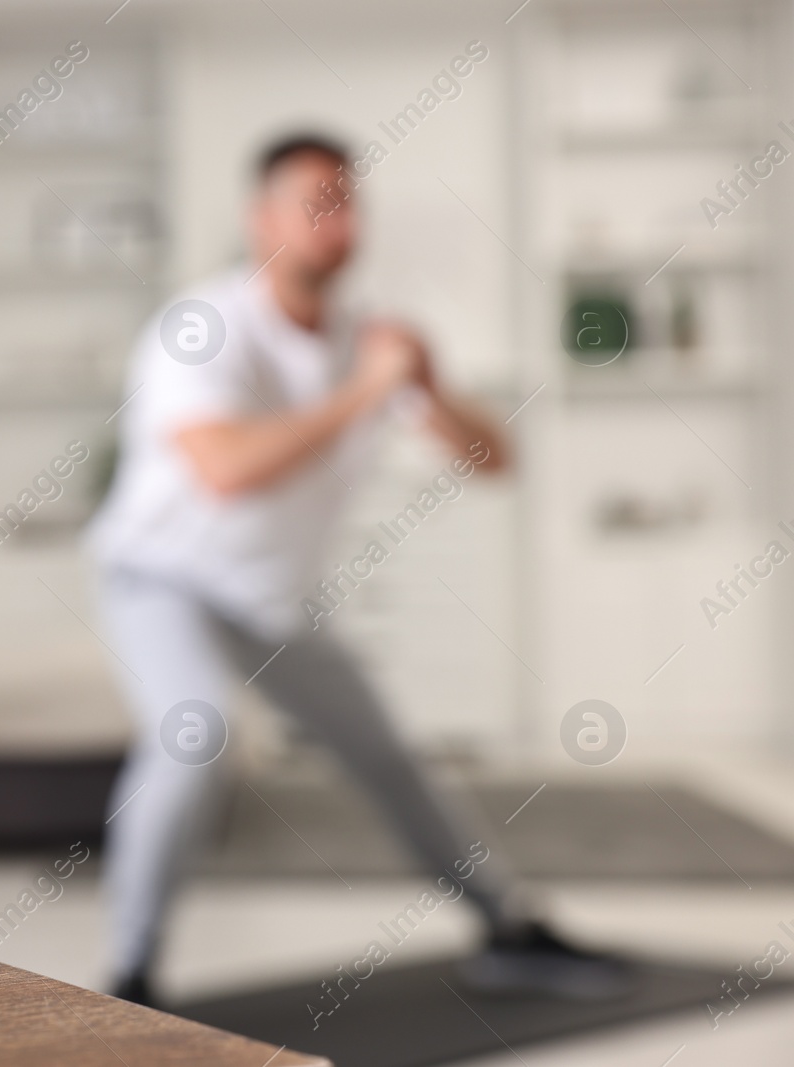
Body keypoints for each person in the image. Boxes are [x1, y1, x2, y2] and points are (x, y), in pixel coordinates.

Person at [87, 134, 625, 1006]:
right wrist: (367, 391)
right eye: (315, 201)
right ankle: (131, 974)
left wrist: (431, 383)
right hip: (163, 580)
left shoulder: (367, 339)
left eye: (348, 199)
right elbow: (225, 471)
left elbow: (495, 458)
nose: (338, 219)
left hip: (274, 600)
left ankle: (506, 926)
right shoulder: (206, 328)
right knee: (194, 735)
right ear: (260, 220)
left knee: (390, 758)